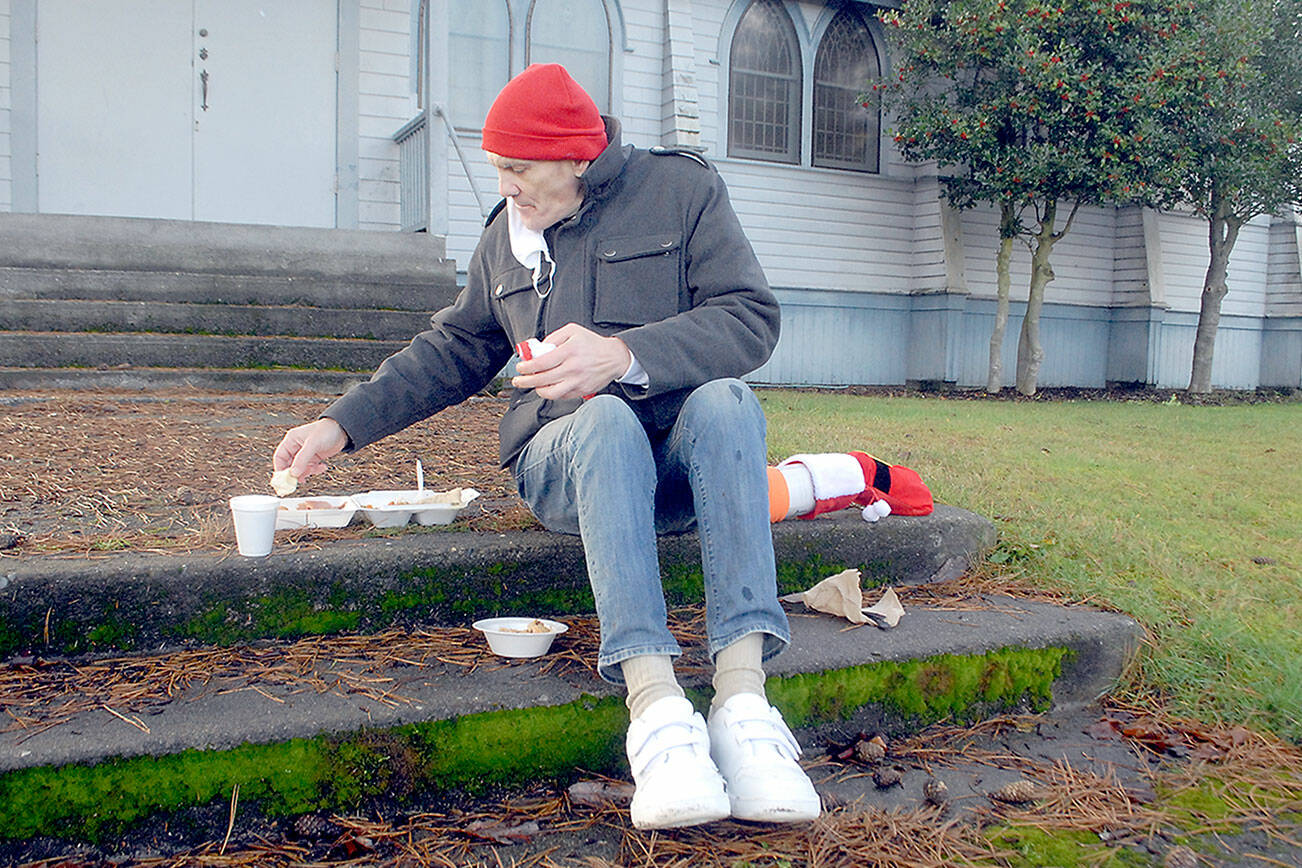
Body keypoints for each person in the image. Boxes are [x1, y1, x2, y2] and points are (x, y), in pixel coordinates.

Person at [272, 63, 820, 830]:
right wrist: (341, 423)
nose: (506, 187)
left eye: (517, 168)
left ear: (576, 156)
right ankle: (657, 711)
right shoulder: (506, 237)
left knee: (728, 401)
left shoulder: (682, 193)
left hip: (673, 471)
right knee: (601, 421)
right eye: (499, 169)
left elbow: (750, 320)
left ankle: (744, 704)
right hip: (564, 464)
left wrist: (622, 355)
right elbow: (456, 348)